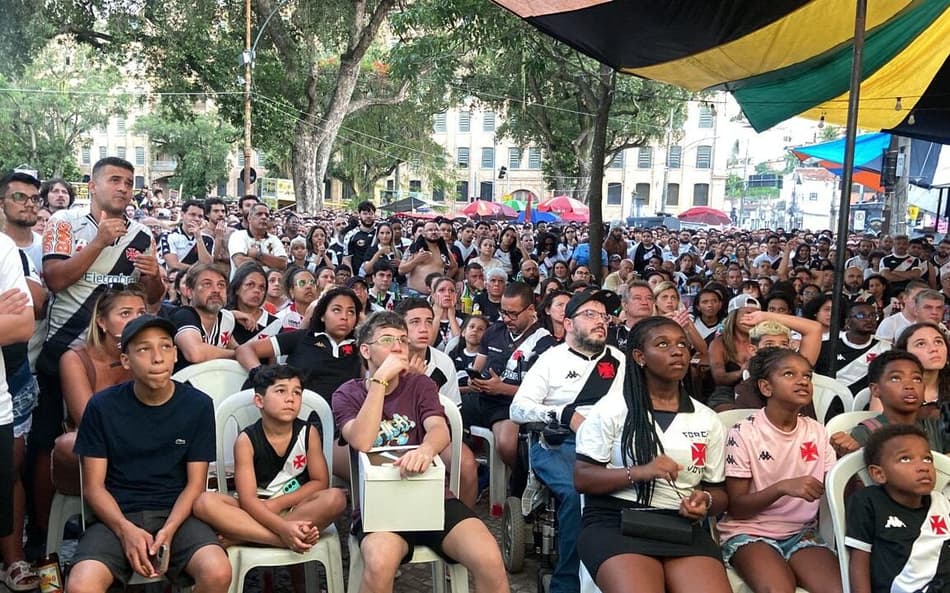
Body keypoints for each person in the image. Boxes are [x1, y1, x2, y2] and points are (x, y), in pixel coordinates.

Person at [32, 157, 163, 550]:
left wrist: (154, 276)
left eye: (129, 182)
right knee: (49, 447)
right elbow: (54, 279)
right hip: (63, 348)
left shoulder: (141, 235)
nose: (124, 188)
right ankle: (42, 538)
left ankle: (107, 522)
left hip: (119, 355)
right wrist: (99, 242)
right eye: (115, 180)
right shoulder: (63, 223)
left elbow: (152, 300)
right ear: (93, 184)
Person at [332, 311, 510, 593]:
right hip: (381, 507)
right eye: (387, 339)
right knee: (379, 563)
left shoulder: (420, 385)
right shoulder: (347, 393)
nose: (397, 346)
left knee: (489, 558)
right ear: (365, 350)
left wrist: (427, 449)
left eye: (402, 340)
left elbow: (439, 428)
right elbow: (363, 441)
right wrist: (379, 382)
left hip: (432, 498)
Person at [66, 315, 230, 593]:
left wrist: (169, 530)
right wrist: (124, 530)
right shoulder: (102, 407)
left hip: (177, 513)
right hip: (116, 514)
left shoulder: (198, 405)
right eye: (144, 349)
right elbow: (93, 487)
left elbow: (195, 485)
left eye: (166, 347)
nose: (157, 358)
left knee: (217, 571)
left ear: (176, 355)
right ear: (126, 360)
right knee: (82, 585)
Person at [573, 317, 730, 593]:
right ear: (639, 356)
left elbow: (718, 493)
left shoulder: (707, 419)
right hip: (617, 522)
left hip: (681, 525)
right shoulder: (612, 409)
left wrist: (703, 500)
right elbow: (583, 478)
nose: (678, 350)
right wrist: (641, 471)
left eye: (682, 343)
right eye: (663, 344)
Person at [510, 288, 624, 593]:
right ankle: (567, 584)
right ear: (568, 323)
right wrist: (564, 414)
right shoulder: (550, 359)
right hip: (560, 443)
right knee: (580, 496)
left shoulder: (620, 360)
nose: (600, 321)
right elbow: (518, 408)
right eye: (590, 314)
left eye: (603, 316)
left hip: (612, 441)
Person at [716, 348, 841, 593]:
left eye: (807, 376)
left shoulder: (817, 431)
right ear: (766, 387)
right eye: (789, 374)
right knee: (778, 589)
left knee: (837, 589)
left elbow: (833, 487)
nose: (803, 381)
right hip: (748, 531)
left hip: (801, 532)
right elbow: (737, 507)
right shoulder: (744, 433)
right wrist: (782, 488)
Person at [193, 364, 347, 550]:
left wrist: (278, 504)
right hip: (254, 510)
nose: (290, 398)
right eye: (281, 391)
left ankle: (245, 537)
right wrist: (282, 528)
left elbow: (320, 482)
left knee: (336, 498)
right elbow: (248, 498)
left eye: (297, 393)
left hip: (296, 507)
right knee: (204, 503)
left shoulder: (308, 432)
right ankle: (282, 540)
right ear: (259, 400)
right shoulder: (246, 440)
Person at [845, 424, 950, 593]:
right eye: (905, 459)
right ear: (879, 474)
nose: (923, 467)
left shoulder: (941, 502)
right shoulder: (868, 501)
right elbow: (859, 561)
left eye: (927, 458)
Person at [463, 282, 554, 472]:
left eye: (513, 314)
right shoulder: (494, 331)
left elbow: (542, 394)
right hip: (481, 396)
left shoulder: (544, 342)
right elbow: (478, 365)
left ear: (530, 310)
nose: (507, 319)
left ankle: (518, 481)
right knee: (446, 415)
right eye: (503, 312)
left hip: (511, 403)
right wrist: (475, 379)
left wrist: (501, 388)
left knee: (506, 445)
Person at [236, 287, 361, 405]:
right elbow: (245, 349)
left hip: (342, 421)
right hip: (293, 414)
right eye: (336, 310)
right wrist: (260, 374)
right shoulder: (303, 337)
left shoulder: (361, 349)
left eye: (351, 312)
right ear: (322, 315)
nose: (344, 317)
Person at [830, 351, 945, 458]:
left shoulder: (935, 426)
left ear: (924, 388)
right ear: (875, 389)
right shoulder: (866, 433)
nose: (909, 385)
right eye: (895, 378)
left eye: (917, 379)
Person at [169, 263, 236, 371]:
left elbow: (237, 348)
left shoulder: (227, 318)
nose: (216, 290)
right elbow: (195, 353)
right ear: (189, 292)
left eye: (221, 285)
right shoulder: (183, 315)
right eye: (207, 284)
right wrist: (236, 354)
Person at [815, 300, 889, 395]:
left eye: (872, 316)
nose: (868, 319)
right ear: (847, 321)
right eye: (861, 316)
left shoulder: (885, 348)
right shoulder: (826, 344)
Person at [227, 203, 287, 280]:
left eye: (267, 215)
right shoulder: (238, 236)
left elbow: (282, 264)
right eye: (259, 214)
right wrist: (268, 264)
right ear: (249, 218)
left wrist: (258, 255)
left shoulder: (274, 239)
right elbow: (240, 262)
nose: (264, 217)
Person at [227, 262, 281, 344]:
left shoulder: (274, 324)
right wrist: (230, 315)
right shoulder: (221, 316)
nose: (257, 290)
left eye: (262, 287)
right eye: (250, 284)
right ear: (237, 288)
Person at [399, 221, 456, 296]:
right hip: (414, 294)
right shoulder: (413, 249)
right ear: (423, 233)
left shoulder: (444, 250)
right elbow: (401, 270)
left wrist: (443, 281)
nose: (433, 232)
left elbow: (454, 267)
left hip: (434, 295)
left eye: (436, 230)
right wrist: (416, 260)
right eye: (430, 230)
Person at [160, 199, 214, 273]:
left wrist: (198, 238)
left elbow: (208, 264)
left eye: (200, 216)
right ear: (182, 215)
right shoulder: (168, 236)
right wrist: (199, 270)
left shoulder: (208, 239)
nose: (196, 219)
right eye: (192, 214)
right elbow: (173, 264)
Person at [607, 281, 654, 352]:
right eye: (637, 298)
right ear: (625, 305)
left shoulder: (662, 333)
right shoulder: (610, 334)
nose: (645, 302)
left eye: (649, 298)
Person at [275, 267, 319, 331]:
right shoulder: (281, 318)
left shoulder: (326, 315)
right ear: (291, 292)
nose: (308, 286)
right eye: (302, 283)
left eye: (312, 282)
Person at [343, 200, 377, 275]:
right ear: (359, 215)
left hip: (378, 275)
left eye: (371, 213)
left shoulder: (380, 232)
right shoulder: (351, 235)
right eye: (365, 213)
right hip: (358, 275)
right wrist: (352, 276)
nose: (368, 216)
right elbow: (346, 258)